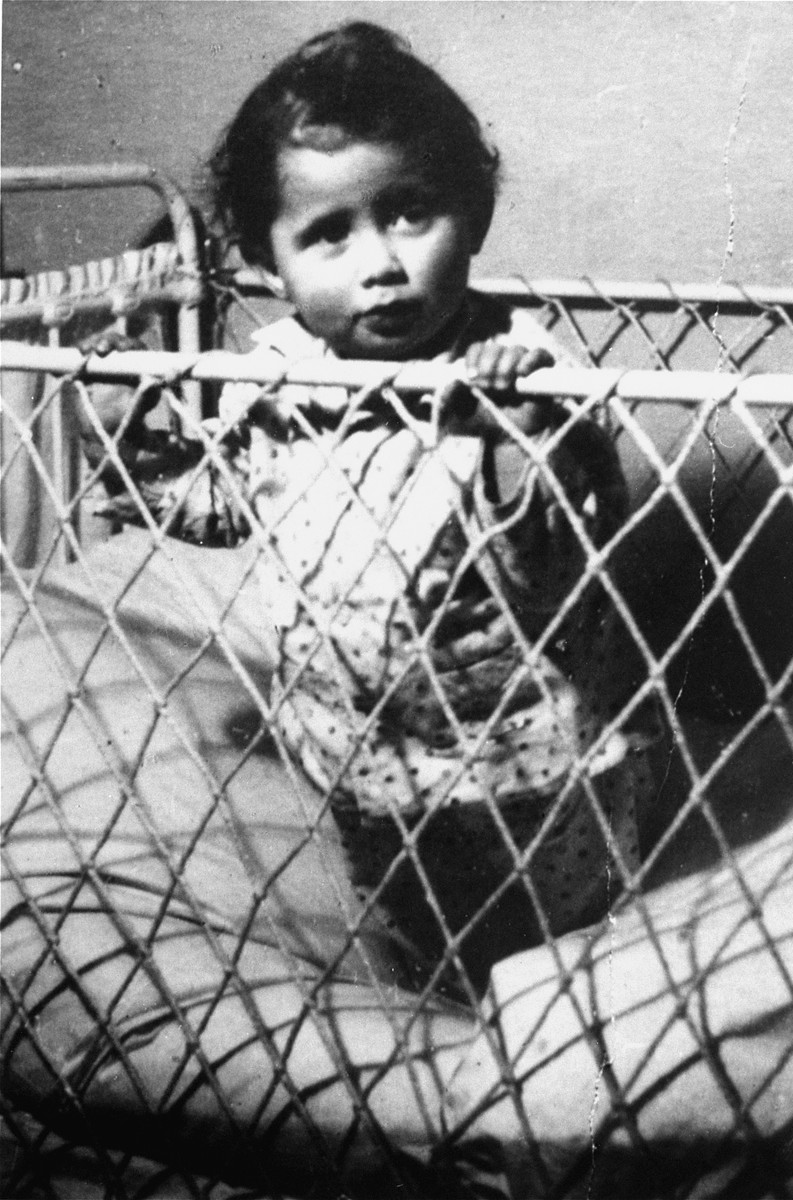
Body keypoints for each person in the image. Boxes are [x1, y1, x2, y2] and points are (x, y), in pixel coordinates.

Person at [78, 22, 657, 993]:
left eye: (409, 212)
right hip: (358, 752)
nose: (379, 262)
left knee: (558, 965)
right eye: (328, 234)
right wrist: (136, 453)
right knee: (411, 952)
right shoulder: (266, 380)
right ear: (269, 266)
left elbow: (578, 505)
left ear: (469, 216)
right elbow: (229, 508)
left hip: (528, 749)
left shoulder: (509, 358)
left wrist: (522, 414)